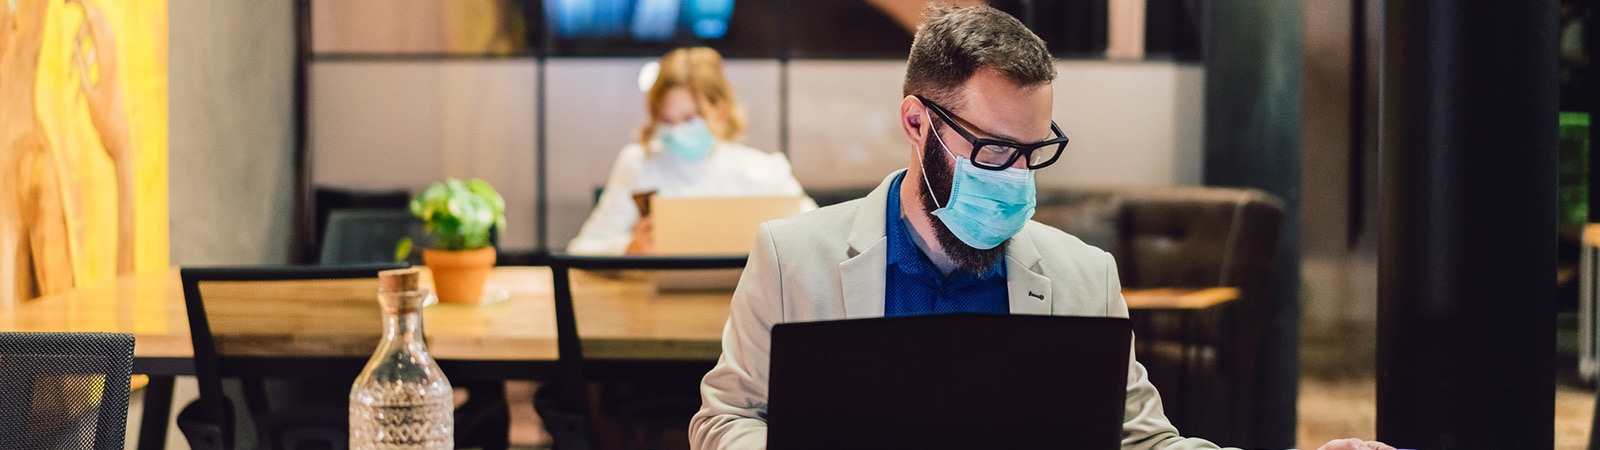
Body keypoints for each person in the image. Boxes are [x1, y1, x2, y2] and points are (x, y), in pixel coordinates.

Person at [689, 5, 1392, 450]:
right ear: (916, 122)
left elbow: (1144, 443)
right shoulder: (792, 257)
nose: (1017, 178)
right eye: (995, 150)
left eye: (1033, 153)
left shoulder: (1084, 277)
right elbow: (724, 419)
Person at [566, 46, 813, 255]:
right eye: (667, 120)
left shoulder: (764, 171)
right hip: (655, 308)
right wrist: (630, 248)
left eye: (689, 118)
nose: (677, 131)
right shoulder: (639, 164)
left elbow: (817, 237)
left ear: (720, 110)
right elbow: (582, 249)